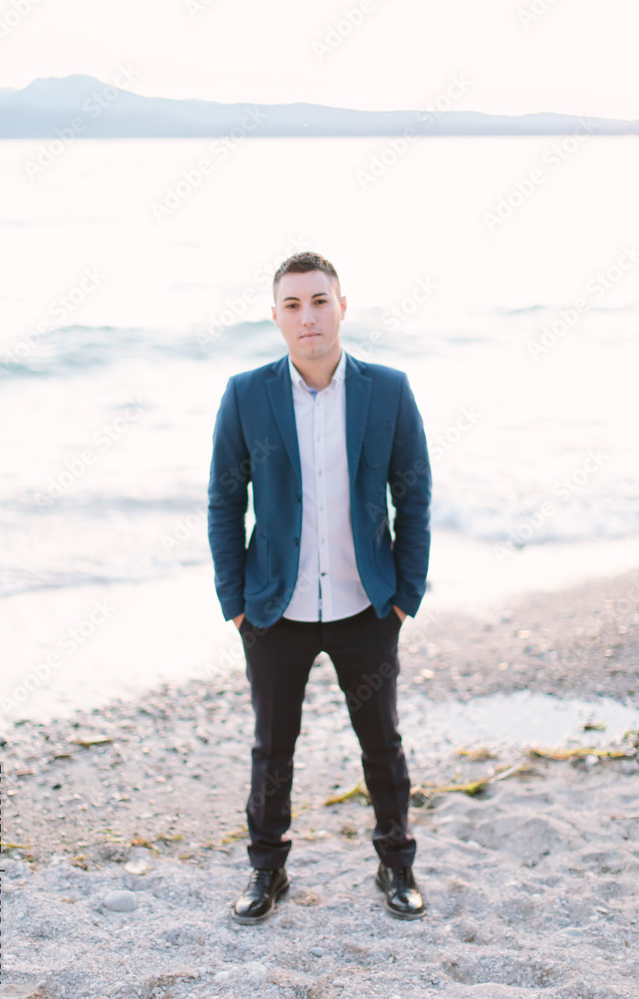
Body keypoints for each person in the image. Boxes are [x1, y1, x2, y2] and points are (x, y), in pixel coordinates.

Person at [207, 251, 431, 923]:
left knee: (381, 742)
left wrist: (404, 595)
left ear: (341, 306)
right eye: (293, 304)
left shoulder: (386, 390)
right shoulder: (246, 393)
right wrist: (235, 604)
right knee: (273, 745)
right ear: (275, 316)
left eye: (319, 301)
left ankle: (396, 867)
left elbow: (412, 495)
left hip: (368, 606)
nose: (308, 316)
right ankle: (265, 872)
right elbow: (224, 502)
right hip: (275, 610)